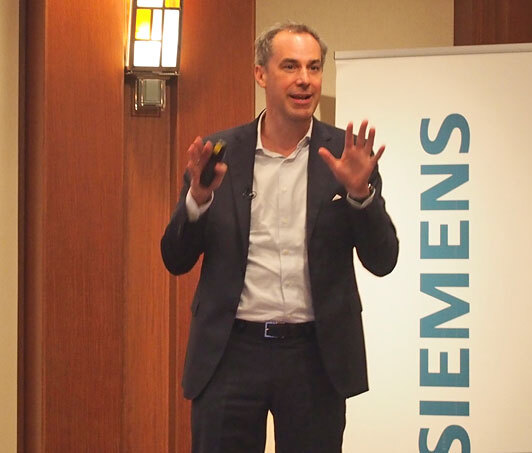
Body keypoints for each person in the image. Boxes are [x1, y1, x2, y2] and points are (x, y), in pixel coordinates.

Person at [161, 21, 399, 453]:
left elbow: (383, 260)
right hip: (230, 353)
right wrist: (197, 199)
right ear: (261, 74)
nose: (304, 79)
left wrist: (360, 195)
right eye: (290, 66)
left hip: (314, 355)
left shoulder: (346, 155)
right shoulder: (219, 154)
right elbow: (175, 258)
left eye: (313, 67)